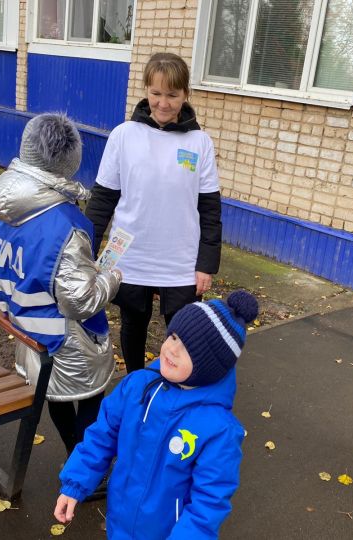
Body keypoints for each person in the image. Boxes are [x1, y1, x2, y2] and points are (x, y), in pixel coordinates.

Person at [53, 290, 259, 539]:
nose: (172, 349)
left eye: (188, 349)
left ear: (209, 366)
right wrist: (75, 484)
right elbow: (101, 436)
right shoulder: (137, 386)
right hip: (120, 518)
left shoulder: (218, 430)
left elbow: (209, 503)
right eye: (173, 336)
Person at [0, 113, 122, 457]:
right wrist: (112, 276)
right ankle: (84, 463)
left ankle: (74, 452)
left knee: (55, 394)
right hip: (68, 338)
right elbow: (81, 302)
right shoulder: (67, 223)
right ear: (70, 161)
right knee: (90, 395)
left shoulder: (8, 210)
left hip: (29, 328)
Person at [85, 52, 222, 375]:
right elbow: (102, 201)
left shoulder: (200, 143)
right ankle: (135, 380)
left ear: (185, 95)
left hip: (181, 260)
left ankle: (173, 388)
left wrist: (206, 264)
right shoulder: (124, 136)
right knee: (133, 323)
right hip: (131, 256)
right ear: (146, 90)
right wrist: (85, 253)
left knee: (183, 331)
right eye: (156, 93)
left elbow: (210, 210)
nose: (163, 103)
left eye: (172, 95)